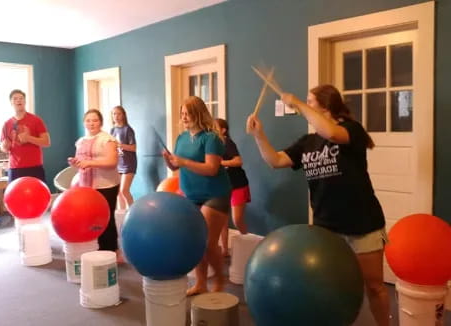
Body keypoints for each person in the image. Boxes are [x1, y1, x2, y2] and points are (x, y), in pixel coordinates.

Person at [246, 84, 390, 326]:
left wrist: (296, 103)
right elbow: (275, 160)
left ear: (326, 106)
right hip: (326, 227)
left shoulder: (350, 130)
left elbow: (332, 134)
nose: (305, 105)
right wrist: (259, 136)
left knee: (374, 286)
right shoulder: (308, 142)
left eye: (310, 101)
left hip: (362, 224)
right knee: (332, 286)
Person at [163, 96, 231, 296]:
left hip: (215, 193)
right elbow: (177, 166)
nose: (184, 117)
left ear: (199, 114)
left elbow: (211, 168)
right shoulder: (181, 138)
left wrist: (182, 161)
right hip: (191, 194)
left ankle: (219, 280)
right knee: (196, 241)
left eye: (188, 113)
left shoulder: (211, 138)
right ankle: (201, 283)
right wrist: (170, 161)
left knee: (208, 242)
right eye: (182, 114)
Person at [68, 109, 122, 257]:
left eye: (95, 120)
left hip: (106, 185)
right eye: (88, 120)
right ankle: (97, 248)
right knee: (91, 218)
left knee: (106, 217)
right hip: (86, 186)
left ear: (101, 122)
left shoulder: (108, 139)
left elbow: (112, 162)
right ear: (84, 123)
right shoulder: (80, 141)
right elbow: (80, 162)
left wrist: (90, 163)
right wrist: (75, 163)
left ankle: (111, 250)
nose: (91, 123)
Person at [214, 118, 251, 257]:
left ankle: (248, 244)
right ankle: (225, 250)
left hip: (238, 185)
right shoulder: (213, 144)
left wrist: (221, 163)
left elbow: (238, 161)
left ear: (223, 130)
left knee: (237, 220)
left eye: (215, 126)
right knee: (222, 219)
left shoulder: (226, 142)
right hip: (223, 186)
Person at [0, 89, 50, 182]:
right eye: (15, 99)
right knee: (15, 196)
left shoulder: (36, 120)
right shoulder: (7, 124)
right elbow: (3, 147)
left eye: (21, 98)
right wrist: (5, 146)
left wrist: (29, 138)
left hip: (34, 167)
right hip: (14, 168)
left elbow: (46, 142)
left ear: (25, 101)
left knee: (37, 195)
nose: (19, 100)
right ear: (11, 102)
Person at [110, 106, 137, 211]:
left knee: (124, 190)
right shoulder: (112, 130)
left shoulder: (128, 130)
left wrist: (120, 145)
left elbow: (134, 148)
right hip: (118, 164)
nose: (116, 116)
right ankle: (121, 214)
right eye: (114, 114)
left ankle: (132, 212)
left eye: (119, 114)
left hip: (129, 164)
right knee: (118, 193)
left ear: (123, 115)